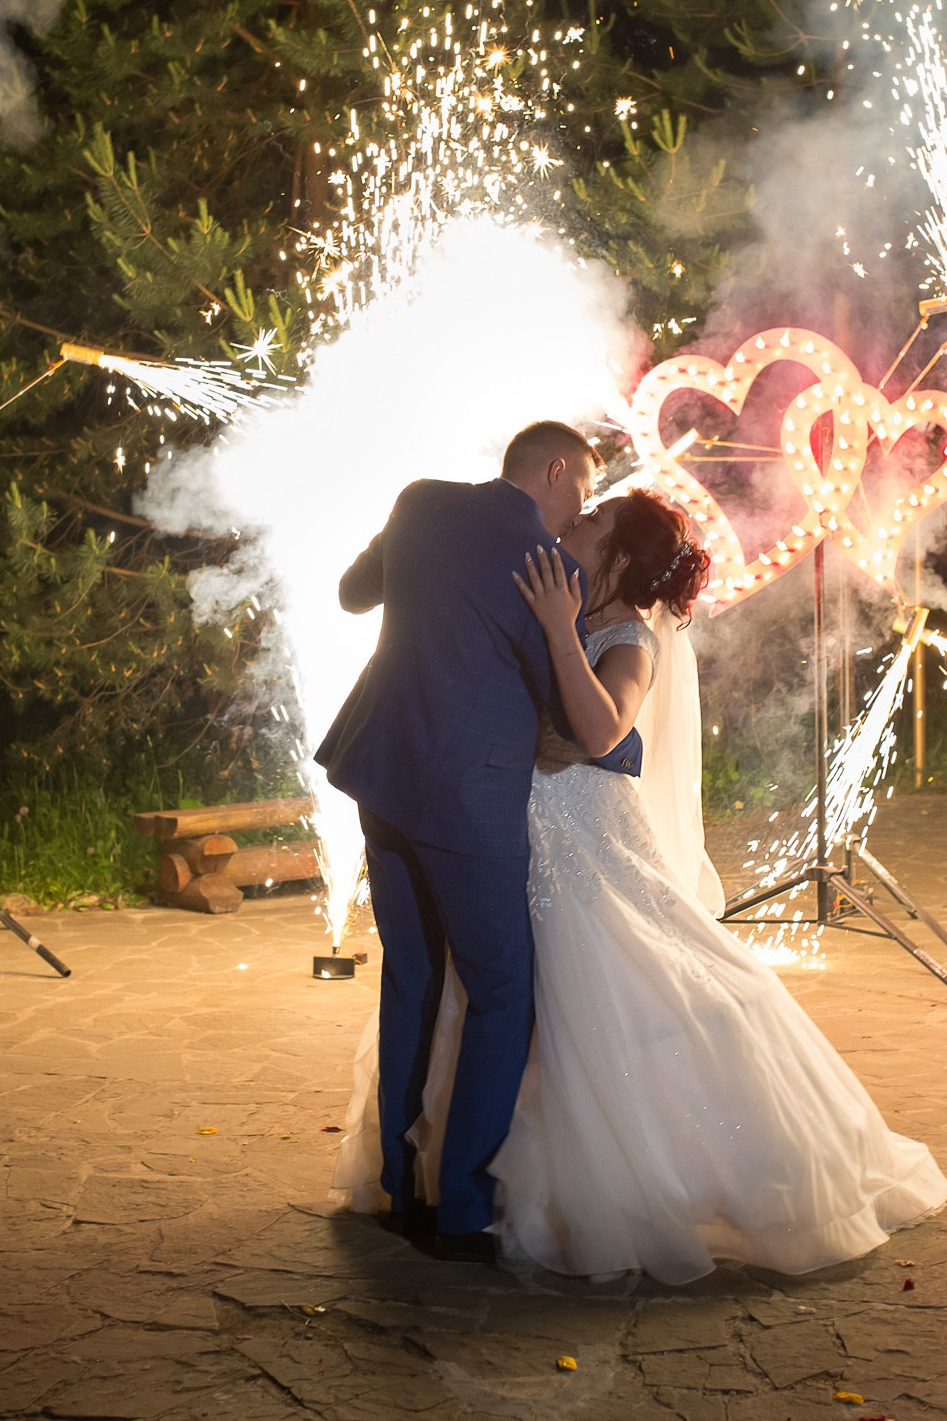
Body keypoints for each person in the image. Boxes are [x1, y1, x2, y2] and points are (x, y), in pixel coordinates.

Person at [332, 486, 947, 1283]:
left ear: (620, 558)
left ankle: (602, 1180)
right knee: (505, 1000)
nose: (574, 524)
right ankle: (457, 1183)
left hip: (583, 840)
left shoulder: (628, 638)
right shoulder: (552, 592)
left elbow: (601, 730)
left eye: (593, 523)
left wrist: (559, 633)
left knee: (604, 994)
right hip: (509, 828)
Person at [313, 421, 638, 1265]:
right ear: (557, 470)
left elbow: (355, 595)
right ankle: (461, 1208)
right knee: (501, 991)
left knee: (412, 977)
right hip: (468, 802)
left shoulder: (419, 503)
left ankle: (397, 1184)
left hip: (381, 773)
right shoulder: (552, 571)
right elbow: (575, 722)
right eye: (582, 490)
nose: (579, 511)